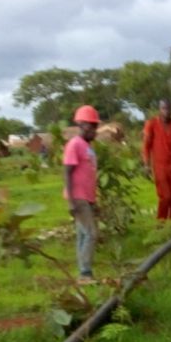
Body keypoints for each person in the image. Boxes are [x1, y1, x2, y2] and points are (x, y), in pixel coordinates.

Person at [63, 105, 100, 283]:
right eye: (91, 126)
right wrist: (71, 201)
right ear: (82, 125)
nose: (95, 130)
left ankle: (82, 272)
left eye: (96, 126)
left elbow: (89, 172)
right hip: (78, 197)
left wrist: (95, 199)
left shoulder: (87, 146)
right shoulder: (74, 145)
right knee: (91, 233)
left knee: (83, 234)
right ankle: (85, 273)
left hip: (88, 197)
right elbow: (67, 172)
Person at [142, 99, 171, 221]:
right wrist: (146, 165)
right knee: (165, 196)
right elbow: (146, 146)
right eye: (164, 108)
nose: (167, 111)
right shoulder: (151, 124)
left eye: (168, 108)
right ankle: (161, 224)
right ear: (159, 109)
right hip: (159, 167)